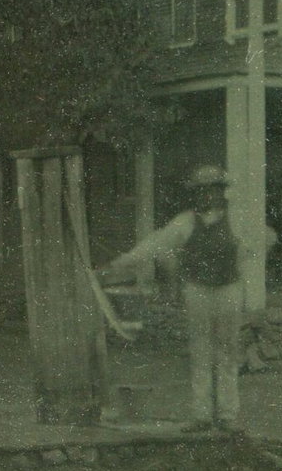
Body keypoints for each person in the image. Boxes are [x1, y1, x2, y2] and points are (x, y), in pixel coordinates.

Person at [99, 165, 259, 433]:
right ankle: (202, 415)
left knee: (227, 352)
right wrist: (124, 261)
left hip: (228, 290)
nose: (207, 196)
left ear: (222, 192)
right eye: (202, 191)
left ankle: (228, 415)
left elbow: (257, 244)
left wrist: (240, 265)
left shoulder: (238, 219)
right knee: (200, 352)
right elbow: (156, 243)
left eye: (213, 190)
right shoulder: (185, 222)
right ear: (196, 195)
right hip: (197, 291)